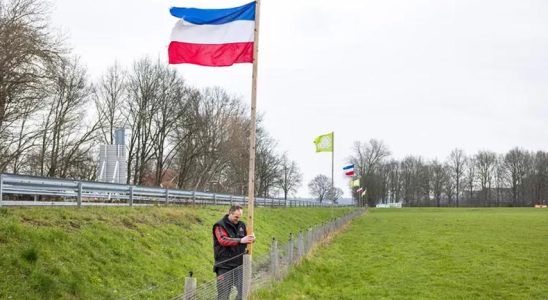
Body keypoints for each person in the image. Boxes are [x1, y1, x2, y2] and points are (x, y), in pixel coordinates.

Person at [213, 205, 255, 300]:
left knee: (244, 291)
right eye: (236, 217)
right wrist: (240, 240)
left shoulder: (242, 225)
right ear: (230, 213)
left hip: (239, 265)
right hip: (224, 266)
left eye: (240, 217)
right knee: (223, 295)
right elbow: (222, 239)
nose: (238, 219)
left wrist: (251, 238)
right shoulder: (219, 225)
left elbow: (246, 239)